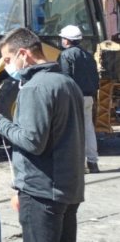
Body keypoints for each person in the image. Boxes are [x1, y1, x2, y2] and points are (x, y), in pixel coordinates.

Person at [0, 28, 85, 242]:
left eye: (7, 59)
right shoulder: (67, 83)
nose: (7, 66)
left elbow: (32, 141)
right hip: (68, 188)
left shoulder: (35, 88)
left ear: (23, 54)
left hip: (41, 191)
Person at [58, 25, 100, 173]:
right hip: (89, 97)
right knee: (88, 129)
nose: (61, 40)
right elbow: (95, 78)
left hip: (74, 97)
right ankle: (93, 163)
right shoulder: (88, 55)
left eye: (63, 38)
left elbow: (65, 79)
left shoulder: (66, 55)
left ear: (67, 41)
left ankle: (79, 165)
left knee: (75, 131)